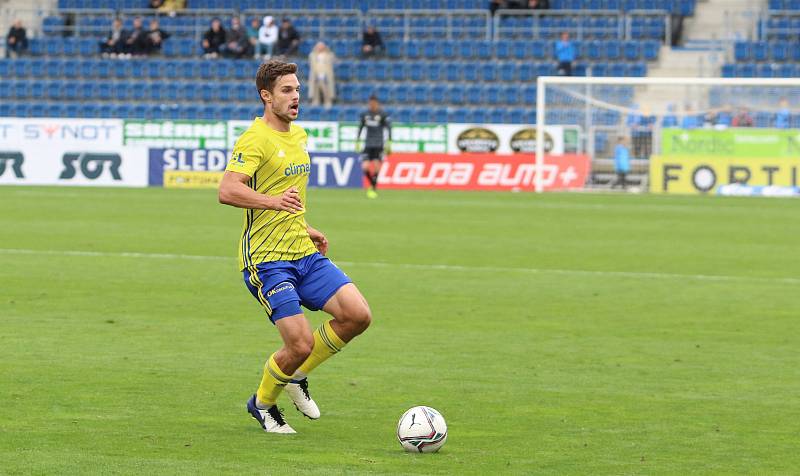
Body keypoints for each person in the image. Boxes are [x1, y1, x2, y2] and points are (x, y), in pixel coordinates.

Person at [218, 59, 372, 434]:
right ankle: (263, 404)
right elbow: (228, 189)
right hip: (268, 260)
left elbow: (290, 199)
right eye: (287, 90)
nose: (296, 96)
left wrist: (307, 227)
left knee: (357, 315)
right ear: (266, 96)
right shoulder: (254, 139)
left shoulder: (299, 136)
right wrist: (273, 202)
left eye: (298, 89)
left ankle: (297, 376)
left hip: (302, 251)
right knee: (300, 342)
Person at [356, 95, 392, 199]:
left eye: (373, 103)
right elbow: (361, 127)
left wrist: (389, 142)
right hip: (368, 144)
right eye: (370, 103)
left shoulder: (382, 114)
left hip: (378, 144)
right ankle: (373, 184)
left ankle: (373, 188)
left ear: (377, 103)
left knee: (376, 166)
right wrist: (357, 140)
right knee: (365, 167)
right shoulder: (365, 114)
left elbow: (388, 128)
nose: (371, 105)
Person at [308, 42, 336, 109]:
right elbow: (312, 63)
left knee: (326, 89)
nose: (320, 48)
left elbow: (332, 61)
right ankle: (315, 101)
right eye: (319, 46)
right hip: (316, 74)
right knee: (316, 88)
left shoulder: (329, 55)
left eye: (322, 46)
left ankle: (328, 101)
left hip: (325, 74)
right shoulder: (313, 55)